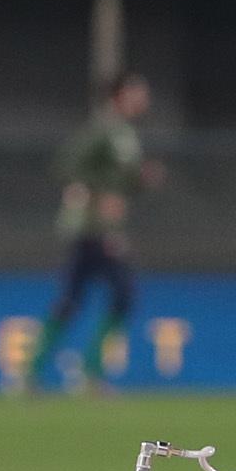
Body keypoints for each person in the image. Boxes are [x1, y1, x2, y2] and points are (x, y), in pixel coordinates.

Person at [19, 71, 162, 393]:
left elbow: (118, 180)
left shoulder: (124, 133)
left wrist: (139, 180)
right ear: (119, 96)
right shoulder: (103, 129)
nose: (144, 98)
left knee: (73, 299)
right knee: (122, 293)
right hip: (93, 227)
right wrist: (100, 194)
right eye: (137, 91)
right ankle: (87, 373)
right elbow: (66, 165)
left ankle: (32, 373)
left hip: (98, 228)